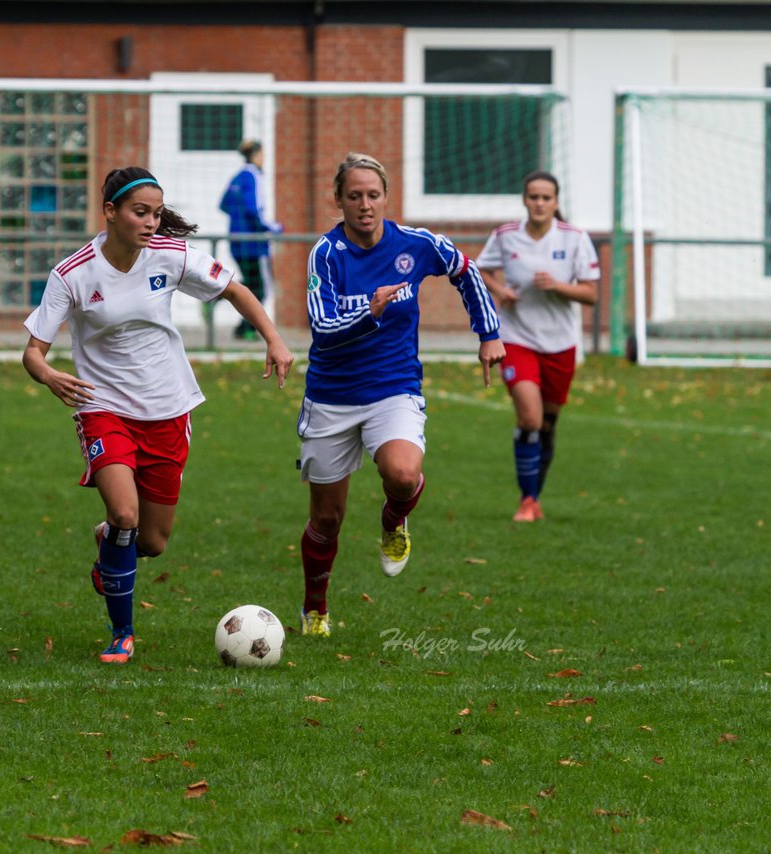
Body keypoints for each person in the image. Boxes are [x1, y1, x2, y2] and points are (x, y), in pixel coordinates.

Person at [23, 166, 295, 664]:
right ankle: (122, 633)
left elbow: (234, 289)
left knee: (151, 541)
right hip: (103, 407)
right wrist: (48, 374)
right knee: (125, 513)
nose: (151, 223)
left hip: (168, 408)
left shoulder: (171, 255)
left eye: (155, 213)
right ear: (110, 212)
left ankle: (109, 544)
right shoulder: (73, 273)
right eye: (139, 212)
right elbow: (33, 351)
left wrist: (274, 340)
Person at [296, 152, 504, 638]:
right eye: (354, 196)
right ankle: (315, 608)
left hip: (394, 387)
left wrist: (489, 333)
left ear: (386, 197)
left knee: (403, 473)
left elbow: (464, 270)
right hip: (331, 396)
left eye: (373, 195)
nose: (365, 205)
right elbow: (323, 329)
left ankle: (394, 521)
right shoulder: (326, 255)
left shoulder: (416, 244)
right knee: (327, 518)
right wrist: (369, 313)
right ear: (339, 200)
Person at [477, 171, 600, 522]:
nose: (540, 203)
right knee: (530, 417)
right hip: (516, 339)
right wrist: (501, 292)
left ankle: (535, 496)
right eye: (534, 197)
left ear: (556, 202)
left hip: (560, 343)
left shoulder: (575, 238)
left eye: (546, 198)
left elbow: (590, 293)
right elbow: (480, 270)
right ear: (524, 200)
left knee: (547, 424)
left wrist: (559, 286)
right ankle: (527, 500)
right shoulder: (505, 236)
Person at [219, 140, 283, 340]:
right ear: (256, 155)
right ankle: (247, 328)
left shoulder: (237, 176)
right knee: (260, 289)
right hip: (252, 243)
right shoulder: (253, 176)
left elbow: (223, 204)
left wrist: (238, 221)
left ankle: (217, 299)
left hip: (236, 240)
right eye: (263, 154)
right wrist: (272, 227)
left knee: (250, 284)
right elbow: (253, 209)